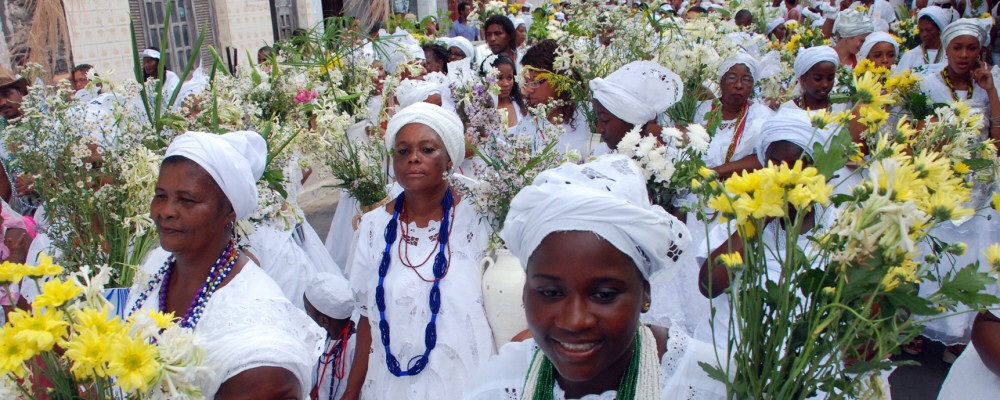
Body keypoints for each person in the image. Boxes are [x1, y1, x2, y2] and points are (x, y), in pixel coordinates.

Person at [462, 155, 729, 400]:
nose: (575, 321)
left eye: (603, 295)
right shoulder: (500, 384)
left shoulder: (711, 385)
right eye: (551, 293)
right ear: (525, 294)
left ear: (645, 293)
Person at [126, 130, 324, 398]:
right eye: (161, 195)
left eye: (187, 200)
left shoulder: (260, 349)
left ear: (229, 210)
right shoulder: (156, 263)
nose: (166, 211)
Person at [343, 103, 494, 400]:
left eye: (427, 150)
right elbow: (366, 319)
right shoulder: (373, 228)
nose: (413, 158)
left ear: (449, 158)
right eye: (403, 151)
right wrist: (350, 391)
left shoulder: (480, 219)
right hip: (388, 386)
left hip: (464, 385)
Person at [515, 40, 603, 156]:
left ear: (560, 78)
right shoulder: (527, 127)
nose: (529, 89)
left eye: (536, 81)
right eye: (526, 82)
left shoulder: (591, 115)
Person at [695, 53, 775, 179]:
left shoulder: (762, 116)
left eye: (746, 80)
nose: (739, 85)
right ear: (721, 82)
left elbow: (765, 157)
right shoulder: (699, 110)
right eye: (732, 78)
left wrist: (717, 171)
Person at [588, 60, 683, 150]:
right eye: (598, 119)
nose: (599, 129)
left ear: (632, 120)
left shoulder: (667, 163)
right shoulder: (600, 154)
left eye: (605, 120)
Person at [305, 273, 357, 400]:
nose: (306, 317)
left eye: (308, 313)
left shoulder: (355, 346)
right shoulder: (326, 339)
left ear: (324, 321)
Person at [781, 46, 845, 113]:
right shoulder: (788, 110)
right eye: (818, 79)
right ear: (803, 79)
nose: (825, 84)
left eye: (830, 78)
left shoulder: (841, 108)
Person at [897, 6, 952, 72]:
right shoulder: (911, 55)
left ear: (938, 30)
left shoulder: (949, 54)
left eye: (929, 30)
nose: (924, 34)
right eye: (921, 30)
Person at [487, 54, 527, 128]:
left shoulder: (521, 105)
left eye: (509, 78)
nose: (505, 84)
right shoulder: (483, 110)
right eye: (499, 78)